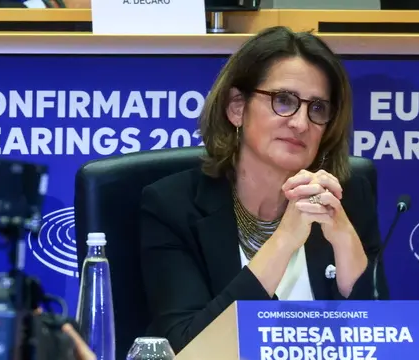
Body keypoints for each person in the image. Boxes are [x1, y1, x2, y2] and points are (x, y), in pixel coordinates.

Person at [139, 26, 389, 353]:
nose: (301, 123)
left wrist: (343, 236)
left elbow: (381, 338)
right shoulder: (172, 206)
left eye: (317, 108)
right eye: (283, 101)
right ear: (236, 107)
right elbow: (189, 347)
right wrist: (283, 241)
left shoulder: (346, 196)